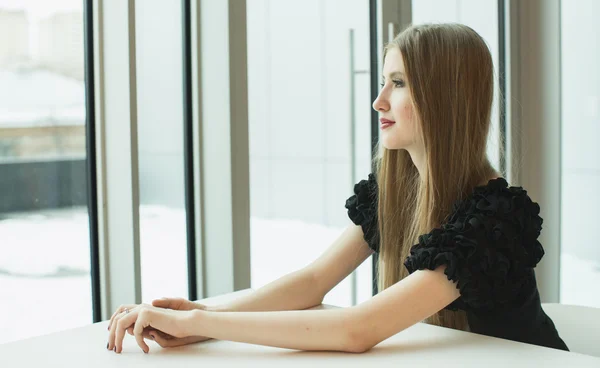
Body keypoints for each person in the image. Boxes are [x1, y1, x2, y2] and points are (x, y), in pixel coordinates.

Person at [105, 23, 569, 354]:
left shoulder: (492, 217)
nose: (379, 100)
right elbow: (310, 283)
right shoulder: (394, 190)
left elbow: (355, 329)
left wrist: (201, 322)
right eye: (383, 81)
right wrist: (196, 317)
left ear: (444, 98)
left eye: (399, 83)